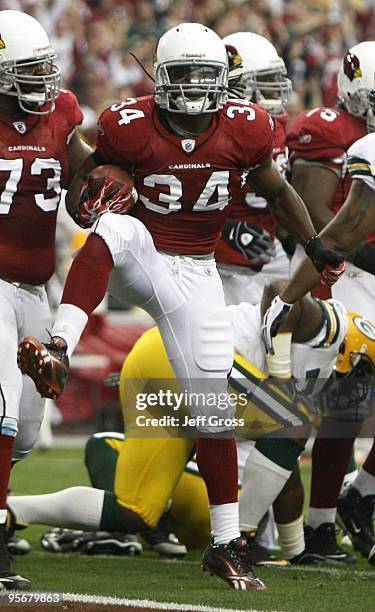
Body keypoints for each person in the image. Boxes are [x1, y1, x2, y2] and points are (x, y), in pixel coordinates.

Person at [17, 22, 343, 591]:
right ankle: (59, 346)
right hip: (143, 254)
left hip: (196, 272)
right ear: (158, 79)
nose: (193, 87)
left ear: (223, 81)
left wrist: (315, 243)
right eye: (183, 75)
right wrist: (95, 190)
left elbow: (275, 188)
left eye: (204, 76)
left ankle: (225, 544)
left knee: (210, 403)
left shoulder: (247, 128)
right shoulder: (127, 123)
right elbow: (89, 175)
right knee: (116, 227)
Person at [8, 283, 349, 565]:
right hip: (186, 357)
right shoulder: (341, 331)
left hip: (156, 357)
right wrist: (281, 374)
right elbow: (279, 290)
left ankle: (9, 510)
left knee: (136, 512)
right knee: (291, 420)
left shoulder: (314, 396)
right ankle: (236, 540)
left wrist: (298, 552)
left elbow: (284, 474)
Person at [261, 43, 375, 561]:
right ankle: (268, 530)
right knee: (322, 407)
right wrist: (310, 284)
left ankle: (344, 506)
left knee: (346, 410)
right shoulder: (329, 129)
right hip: (339, 272)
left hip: (362, 275)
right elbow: (315, 220)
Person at [0, 10, 91, 591]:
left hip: (35, 284)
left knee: (27, 430)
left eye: (42, 69)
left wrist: (98, 185)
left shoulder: (61, 113)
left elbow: (82, 169)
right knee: (3, 410)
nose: (40, 82)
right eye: (24, 71)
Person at [216, 32, 292, 306]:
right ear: (236, 87)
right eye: (267, 82)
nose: (277, 90)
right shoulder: (213, 131)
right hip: (219, 259)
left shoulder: (276, 123)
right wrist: (226, 230)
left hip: (268, 249)